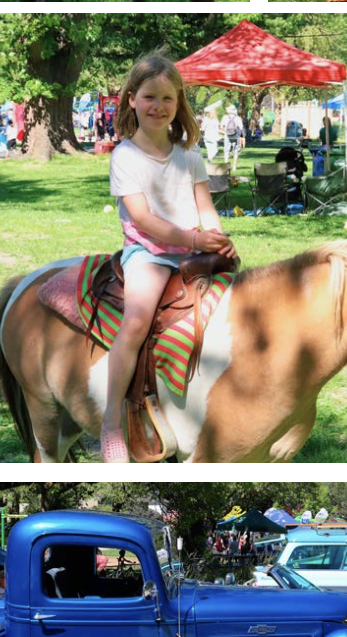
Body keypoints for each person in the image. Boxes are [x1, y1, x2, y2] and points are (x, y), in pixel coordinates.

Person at [97, 55, 229, 464]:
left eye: (167, 98)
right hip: (150, 255)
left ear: (179, 102)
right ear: (132, 100)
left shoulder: (189, 154)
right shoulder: (125, 157)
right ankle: (111, 423)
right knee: (136, 324)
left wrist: (217, 237)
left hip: (195, 251)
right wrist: (192, 236)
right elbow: (143, 219)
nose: (159, 105)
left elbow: (204, 204)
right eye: (150, 96)